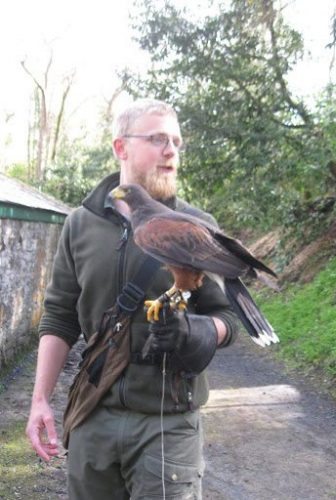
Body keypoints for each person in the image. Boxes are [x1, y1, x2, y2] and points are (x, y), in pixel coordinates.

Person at [26, 98, 239, 499]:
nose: (171, 150)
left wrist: (202, 331)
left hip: (168, 424)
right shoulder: (80, 225)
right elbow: (59, 316)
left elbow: (228, 315)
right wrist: (39, 400)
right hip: (93, 414)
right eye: (158, 138)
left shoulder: (196, 226)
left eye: (176, 141)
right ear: (121, 147)